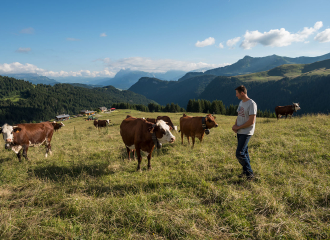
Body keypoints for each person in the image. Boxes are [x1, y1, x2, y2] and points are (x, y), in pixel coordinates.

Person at [232, 85, 257, 179]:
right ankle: (245, 172)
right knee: (245, 152)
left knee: (239, 153)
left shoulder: (252, 104)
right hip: (240, 131)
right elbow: (239, 115)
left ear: (242, 93)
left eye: (237, 93)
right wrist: (235, 126)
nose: (236, 95)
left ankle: (250, 174)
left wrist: (239, 127)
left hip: (246, 132)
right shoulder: (241, 103)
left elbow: (251, 121)